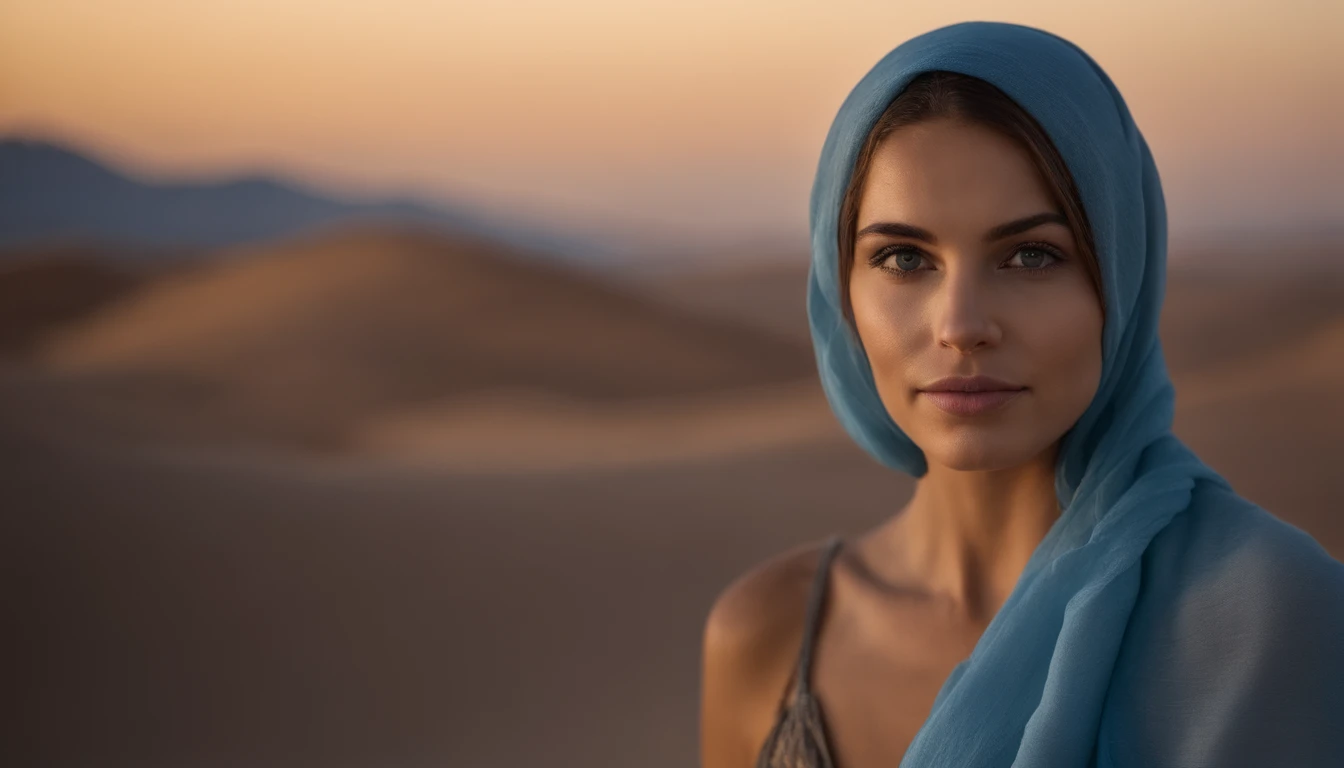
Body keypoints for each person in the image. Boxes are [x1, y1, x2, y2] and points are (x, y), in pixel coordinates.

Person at [699, 21, 1344, 768]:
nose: (962, 326)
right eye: (903, 258)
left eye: (1032, 255)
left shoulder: (1282, 621)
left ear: (1122, 280)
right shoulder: (768, 636)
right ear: (839, 288)